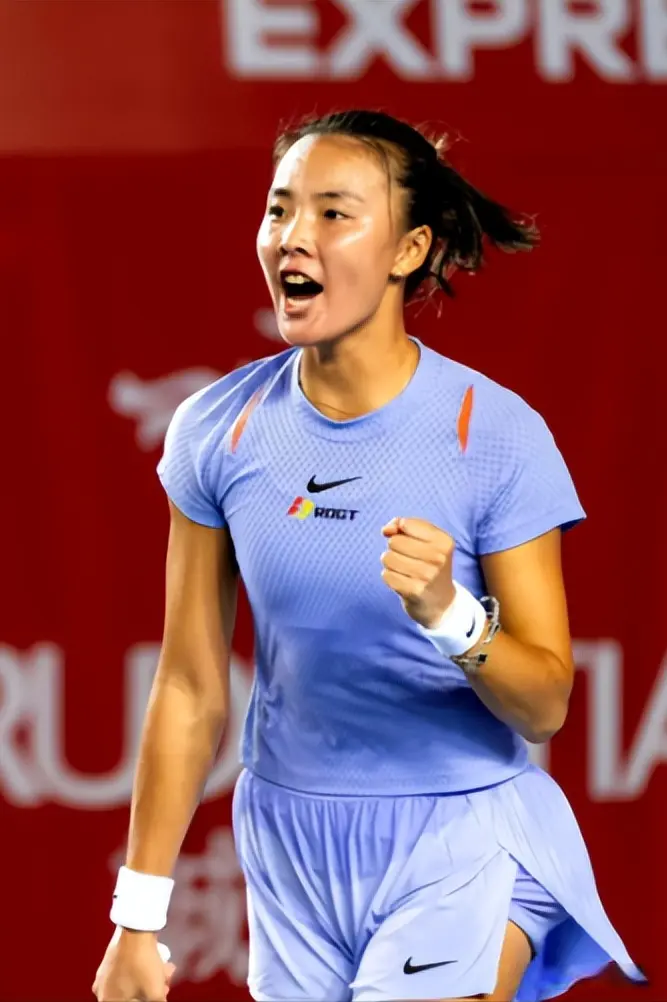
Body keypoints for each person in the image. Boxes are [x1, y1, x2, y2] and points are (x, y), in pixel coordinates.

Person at [93, 110, 643, 1002]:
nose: (292, 236)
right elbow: (190, 686)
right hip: (291, 847)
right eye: (279, 209)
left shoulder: (493, 433)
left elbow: (543, 704)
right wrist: (137, 918)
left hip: (460, 836)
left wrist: (452, 616)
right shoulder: (216, 429)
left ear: (407, 250)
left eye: (333, 213)